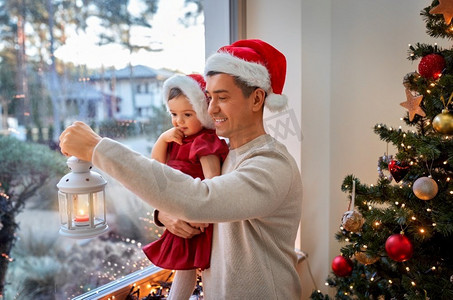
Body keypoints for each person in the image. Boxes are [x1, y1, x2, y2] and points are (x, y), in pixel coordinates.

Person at [59, 39, 303, 299]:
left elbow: (202, 199)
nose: (211, 109)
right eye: (209, 98)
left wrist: (97, 148)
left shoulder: (270, 165)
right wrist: (164, 213)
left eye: (222, 97)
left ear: (256, 99)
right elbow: (201, 201)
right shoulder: (227, 155)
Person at [142, 73, 229, 299]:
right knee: (185, 267)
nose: (179, 121)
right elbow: (156, 164)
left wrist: (202, 213)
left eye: (187, 115)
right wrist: (163, 139)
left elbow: (213, 181)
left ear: (202, 113)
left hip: (194, 213)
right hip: (179, 208)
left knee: (190, 268)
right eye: (174, 114)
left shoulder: (204, 141)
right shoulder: (176, 139)